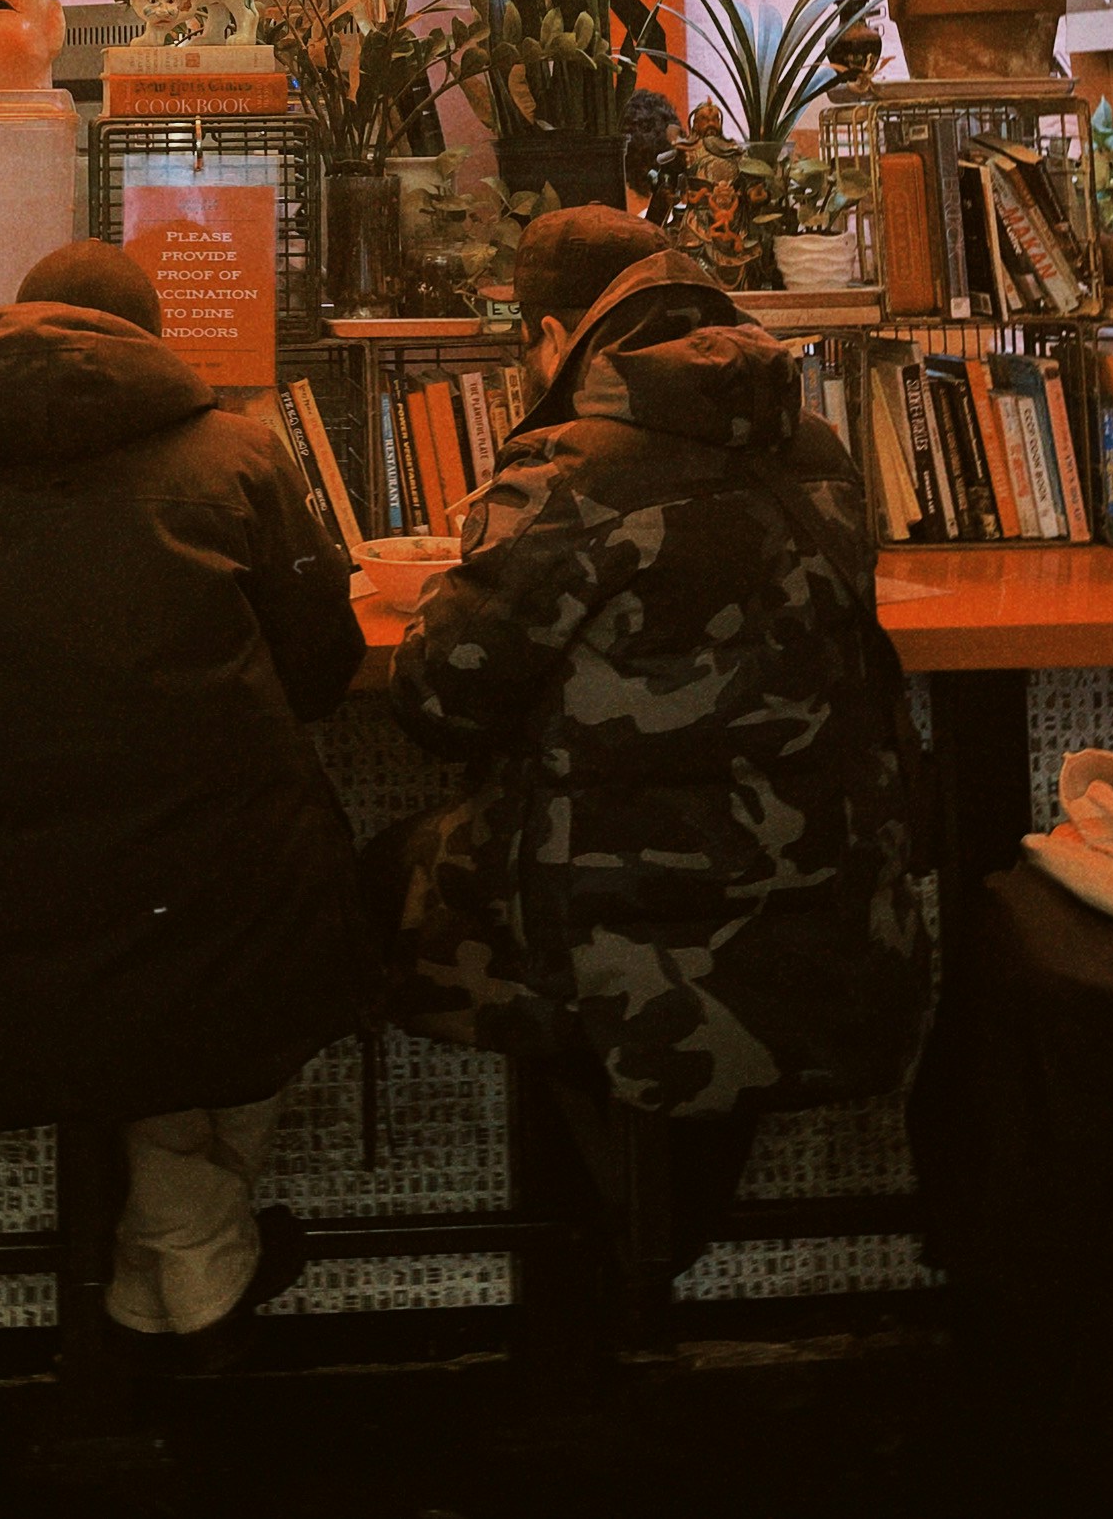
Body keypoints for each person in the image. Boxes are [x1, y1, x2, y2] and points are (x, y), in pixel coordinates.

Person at [0, 238, 369, 1346]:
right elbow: (325, 675)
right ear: (155, 345)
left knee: (136, 988)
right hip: (221, 942)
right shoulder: (239, 462)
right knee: (226, 954)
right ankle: (181, 1240)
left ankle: (177, 1247)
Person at [367, 205, 929, 1268]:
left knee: (380, 874)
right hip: (817, 914)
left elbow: (436, 706)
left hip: (607, 941)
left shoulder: (568, 468)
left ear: (547, 333)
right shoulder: (813, 447)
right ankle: (656, 1239)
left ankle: (588, 1264)